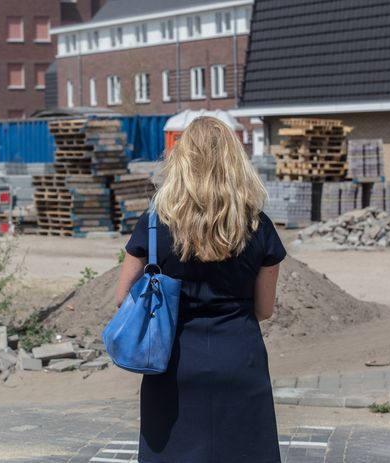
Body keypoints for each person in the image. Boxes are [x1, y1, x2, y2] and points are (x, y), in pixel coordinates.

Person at [114, 117, 286, 463]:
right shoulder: (258, 225)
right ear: (237, 162)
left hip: (172, 362)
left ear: (181, 161)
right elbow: (265, 309)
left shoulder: (154, 224)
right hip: (240, 359)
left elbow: (123, 298)